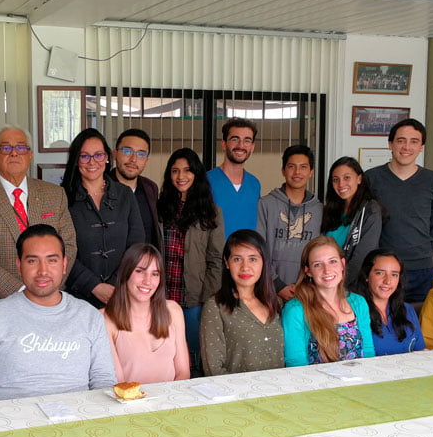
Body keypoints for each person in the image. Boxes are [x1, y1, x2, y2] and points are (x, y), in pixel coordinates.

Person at [0, 224, 116, 403]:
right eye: (32, 261)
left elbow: (103, 380)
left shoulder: (89, 316)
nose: (43, 271)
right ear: (19, 265)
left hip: (77, 420)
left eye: (52, 260)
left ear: (64, 264)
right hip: (13, 423)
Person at [0, 125, 77, 321]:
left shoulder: (55, 194)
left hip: (50, 303)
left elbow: (69, 245)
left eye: (21, 147)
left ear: (30, 154)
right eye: (5, 148)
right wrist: (22, 292)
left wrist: (47, 288)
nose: (14, 153)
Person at [158, 148, 224, 376]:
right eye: (174, 171)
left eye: (187, 170)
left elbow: (216, 259)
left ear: (196, 174)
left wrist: (208, 298)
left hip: (195, 299)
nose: (180, 176)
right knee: (164, 354)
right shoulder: (160, 208)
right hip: (162, 297)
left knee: (194, 356)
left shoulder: (211, 212)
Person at [61, 129, 144, 307]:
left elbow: (136, 245)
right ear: (76, 160)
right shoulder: (62, 198)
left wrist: (115, 284)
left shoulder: (125, 195)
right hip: (78, 296)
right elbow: (59, 251)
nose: (92, 162)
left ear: (107, 157)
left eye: (98, 155)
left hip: (121, 293)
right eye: (84, 156)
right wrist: (94, 286)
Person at [366, 119, 433, 302]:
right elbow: (365, 226)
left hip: (422, 271)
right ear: (390, 144)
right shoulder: (372, 178)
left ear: (421, 147)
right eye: (401, 140)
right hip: (382, 269)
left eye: (414, 141)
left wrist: (421, 254)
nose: (406, 147)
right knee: (380, 325)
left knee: (421, 325)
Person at [102, 243, 189, 383]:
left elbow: (183, 373)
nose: (147, 281)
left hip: (171, 401)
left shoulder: (173, 311)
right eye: (140, 271)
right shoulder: (105, 318)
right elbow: (118, 384)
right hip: (129, 403)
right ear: (126, 273)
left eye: (155, 274)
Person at [281, 236, 375, 367]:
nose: (327, 270)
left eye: (332, 261)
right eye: (318, 265)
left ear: (343, 264)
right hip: (316, 385)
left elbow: (369, 353)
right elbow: (296, 362)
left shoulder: (359, 303)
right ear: (308, 271)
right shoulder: (295, 310)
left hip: (358, 383)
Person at [201, 229, 284, 375]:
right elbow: (213, 369)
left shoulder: (277, 303)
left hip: (279, 393)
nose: (245, 267)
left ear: (263, 262)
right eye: (237, 259)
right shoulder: (215, 307)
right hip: (238, 395)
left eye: (253, 259)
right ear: (227, 263)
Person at [256, 144, 322, 302]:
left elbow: (320, 253)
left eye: (303, 167)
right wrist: (277, 285)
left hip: (308, 290)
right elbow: (258, 248)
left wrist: (306, 284)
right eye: (291, 166)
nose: (297, 172)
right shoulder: (265, 204)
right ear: (283, 170)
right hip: (269, 289)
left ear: (311, 172)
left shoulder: (320, 210)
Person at [321, 157, 384, 283]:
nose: (341, 184)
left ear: (359, 179)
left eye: (347, 178)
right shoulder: (330, 210)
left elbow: (363, 256)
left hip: (351, 286)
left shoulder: (370, 210)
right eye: (335, 180)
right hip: (327, 281)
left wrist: (340, 284)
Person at [351, 249, 426, 356]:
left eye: (394, 275)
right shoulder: (353, 311)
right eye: (380, 273)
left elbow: (421, 351)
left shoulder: (407, 309)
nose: (387, 281)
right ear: (367, 276)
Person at [207, 118, 262, 238]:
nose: (240, 145)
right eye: (235, 139)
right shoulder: (206, 181)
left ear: (252, 147)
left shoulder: (254, 184)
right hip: (216, 255)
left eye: (247, 140)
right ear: (224, 144)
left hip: (246, 254)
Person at [112, 128, 161, 249]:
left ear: (146, 160)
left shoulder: (150, 188)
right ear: (115, 154)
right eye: (127, 151)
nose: (133, 159)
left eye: (141, 154)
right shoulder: (102, 187)